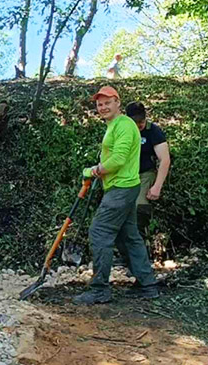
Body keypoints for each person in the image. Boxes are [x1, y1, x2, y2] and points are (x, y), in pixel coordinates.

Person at [75, 86, 159, 305]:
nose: (103, 107)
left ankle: (99, 289)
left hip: (121, 188)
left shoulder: (123, 125)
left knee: (99, 232)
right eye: (99, 104)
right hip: (123, 187)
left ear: (117, 103)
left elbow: (119, 159)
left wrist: (95, 170)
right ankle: (147, 285)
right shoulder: (116, 125)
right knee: (129, 235)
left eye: (107, 103)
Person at [124, 101, 171, 238]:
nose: (139, 125)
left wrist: (157, 186)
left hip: (145, 173)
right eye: (135, 122)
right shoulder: (122, 130)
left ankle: (139, 238)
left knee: (140, 206)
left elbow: (165, 159)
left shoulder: (153, 131)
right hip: (124, 174)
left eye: (141, 121)